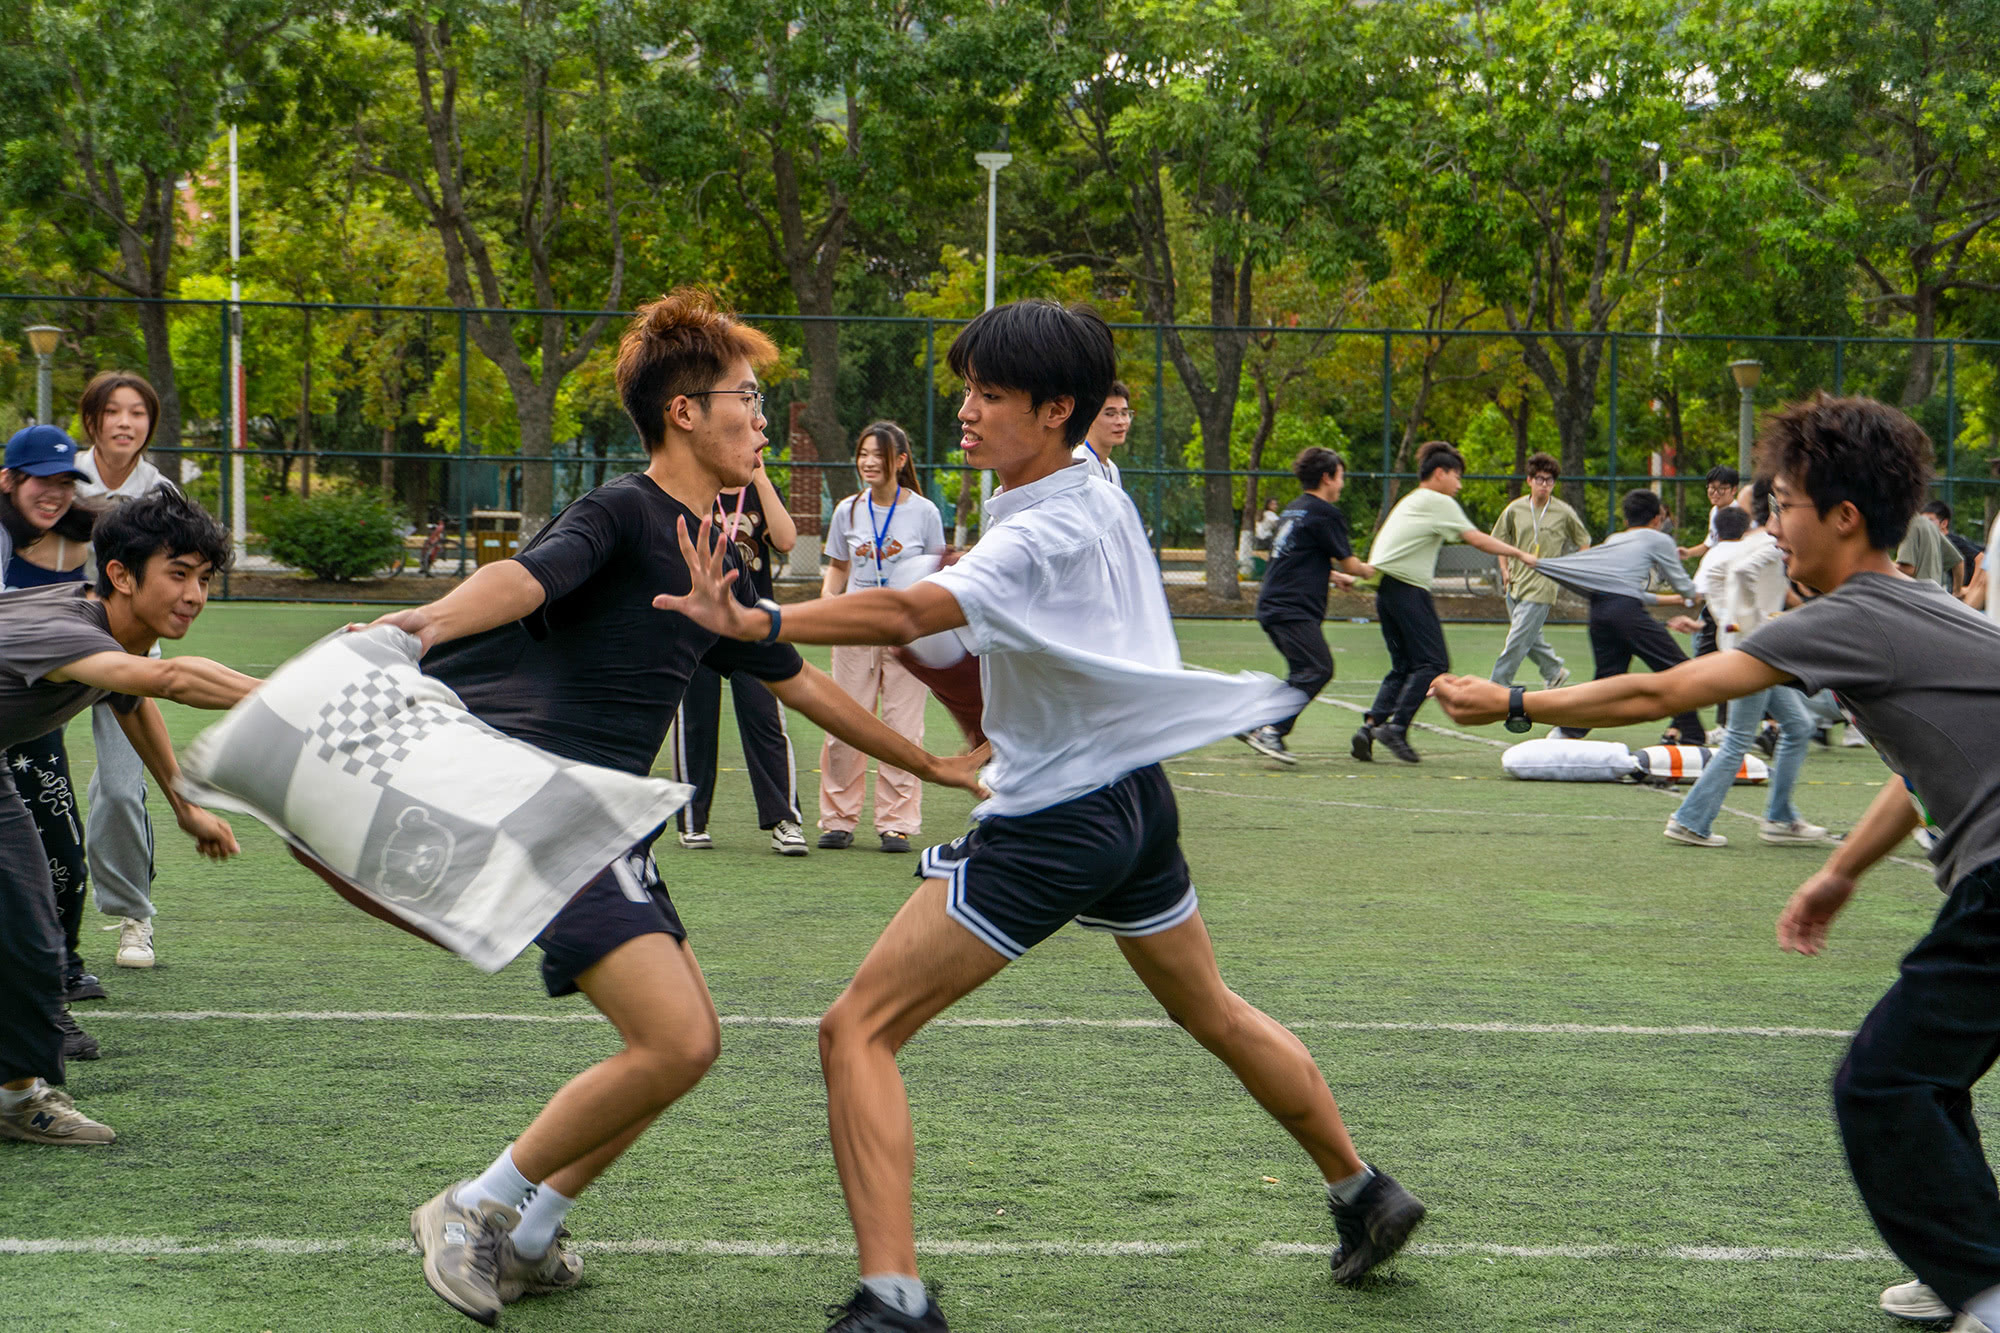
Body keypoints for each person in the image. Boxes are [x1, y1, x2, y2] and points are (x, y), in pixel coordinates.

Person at [657, 299, 1426, 1333]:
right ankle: (1363, 1190)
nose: (963, 413)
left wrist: (763, 616)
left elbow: (906, 613)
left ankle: (893, 1300)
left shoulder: (1046, 525)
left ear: (1057, 409)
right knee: (1211, 1010)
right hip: (1132, 804)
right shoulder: (1087, 487)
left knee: (855, 1030)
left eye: (990, 396)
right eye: (966, 388)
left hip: (1057, 820)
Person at [372, 290, 983, 1328]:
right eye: (747, 397)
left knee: (684, 1045)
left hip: (617, 822)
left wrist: (930, 766)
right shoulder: (619, 510)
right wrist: (420, 624)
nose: (762, 418)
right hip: (551, 806)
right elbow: (524, 579)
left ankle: (524, 1233)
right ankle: (473, 1205)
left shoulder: (722, 555)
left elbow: (795, 681)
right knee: (678, 1042)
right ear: (685, 414)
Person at [1431, 393, 2000, 1333]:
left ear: (1845, 519)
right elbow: (1915, 776)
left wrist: (1517, 704)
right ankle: (1961, 1265)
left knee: (1882, 1083)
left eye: (1784, 505)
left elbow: (1670, 686)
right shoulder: (1922, 607)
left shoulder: (1854, 613)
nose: (1773, 525)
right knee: (1927, 1074)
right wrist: (1841, 873)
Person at [0, 490, 252, 1147]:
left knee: (30, 934)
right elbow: (167, 683)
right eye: (179, 573)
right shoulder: (68, 629)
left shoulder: (116, 638)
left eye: (204, 577)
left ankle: (17, 1100)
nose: (195, 593)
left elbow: (133, 701)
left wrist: (182, 802)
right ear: (120, 575)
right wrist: (289, 696)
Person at [0, 427, 107, 1043]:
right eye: (44, 479)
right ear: (8, 479)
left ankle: (59, 974)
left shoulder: (74, 541)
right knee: (26, 870)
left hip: (28, 721)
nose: (57, 493)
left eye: (67, 481)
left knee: (59, 857)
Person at [72, 371, 178, 971]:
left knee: (117, 788)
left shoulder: (158, 494)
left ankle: (133, 918)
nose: (125, 423)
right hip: (53, 655)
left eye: (137, 413)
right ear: (92, 421)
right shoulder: (59, 481)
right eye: (113, 412)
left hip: (125, 660)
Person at [1354, 441, 1539, 764]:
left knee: (1404, 666)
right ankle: (1396, 728)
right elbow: (1475, 538)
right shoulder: (1437, 500)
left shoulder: (1411, 500)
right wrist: (1518, 552)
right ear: (1440, 474)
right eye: (1456, 476)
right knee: (1433, 664)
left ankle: (1371, 727)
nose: (1459, 484)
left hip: (1387, 592)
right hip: (1409, 591)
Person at [1662, 489, 1825, 848]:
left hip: (1756, 648)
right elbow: (1739, 575)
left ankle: (1779, 818)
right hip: (1757, 651)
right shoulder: (1770, 544)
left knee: (1800, 725)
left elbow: (1724, 579)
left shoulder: (1760, 541)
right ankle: (1690, 820)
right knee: (1737, 738)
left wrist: (1726, 623)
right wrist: (1756, 623)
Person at [670, 454, 809, 855]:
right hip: (699, 622)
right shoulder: (695, 488)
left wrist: (762, 480)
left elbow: (785, 542)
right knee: (695, 720)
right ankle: (693, 820)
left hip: (753, 622)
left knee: (764, 715)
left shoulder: (761, 491)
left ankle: (785, 820)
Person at [818, 422, 947, 853]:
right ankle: (838, 819)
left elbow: (936, 572)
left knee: (902, 729)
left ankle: (896, 822)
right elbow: (838, 566)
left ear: (901, 461)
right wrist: (827, 602)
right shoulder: (846, 510)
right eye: (863, 454)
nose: (869, 463)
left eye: (879, 455)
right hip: (855, 629)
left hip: (907, 634)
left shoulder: (924, 512)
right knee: (844, 726)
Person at [1534, 487, 1708, 745]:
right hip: (1626, 612)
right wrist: (1700, 594)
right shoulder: (1659, 540)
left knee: (1608, 680)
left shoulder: (1615, 539)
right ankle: (1692, 737)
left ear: (1626, 519)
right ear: (1657, 519)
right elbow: (1683, 586)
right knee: (1679, 670)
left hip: (1599, 610)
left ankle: (1566, 731)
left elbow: (1630, 590)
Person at [1240, 447, 1376, 764]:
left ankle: (1252, 719)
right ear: (1327, 477)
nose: (1342, 484)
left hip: (1274, 603)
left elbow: (1298, 555)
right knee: (1318, 668)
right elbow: (1354, 564)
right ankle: (1270, 729)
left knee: (1305, 670)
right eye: (1341, 476)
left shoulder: (1294, 509)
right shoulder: (1326, 513)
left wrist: (1331, 575)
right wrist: (1379, 571)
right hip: (1292, 607)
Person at [1488, 451, 1590, 689]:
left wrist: (1574, 567)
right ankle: (1554, 671)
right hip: (1515, 583)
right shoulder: (1514, 509)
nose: (1544, 485)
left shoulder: (1564, 512)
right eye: (1540, 479)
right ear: (1529, 481)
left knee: (1516, 640)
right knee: (1528, 637)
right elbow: (1500, 541)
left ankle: (1496, 686)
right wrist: (1504, 569)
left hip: (1543, 586)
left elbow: (1583, 540)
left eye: (1550, 480)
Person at [1896, 496, 1962, 591]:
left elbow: (1908, 569)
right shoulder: (1930, 526)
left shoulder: (1910, 525)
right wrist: (1957, 592)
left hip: (1916, 598)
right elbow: (1958, 561)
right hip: (1935, 597)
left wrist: (1881, 564)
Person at [1072, 378, 1129, 486]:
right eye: (1110, 414)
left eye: (1124, 413)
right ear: (1089, 417)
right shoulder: (1079, 464)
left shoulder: (1112, 468)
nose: (1120, 422)